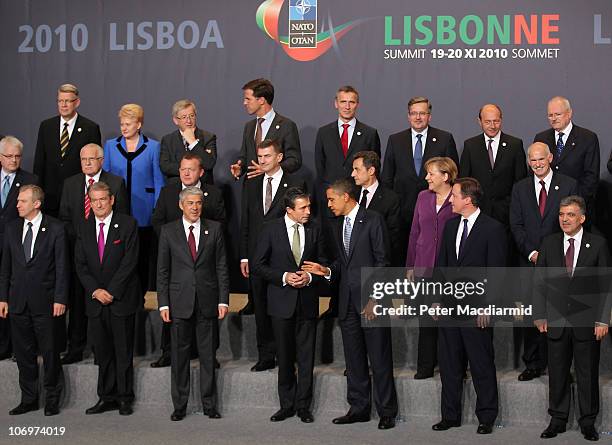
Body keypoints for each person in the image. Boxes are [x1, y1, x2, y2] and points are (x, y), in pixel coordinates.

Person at [302, 178, 398, 430]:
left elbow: (382, 262)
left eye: (332, 199)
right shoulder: (336, 225)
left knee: (379, 359)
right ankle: (358, 408)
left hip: (372, 301)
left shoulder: (373, 219)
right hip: (346, 303)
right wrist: (326, 270)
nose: (329, 205)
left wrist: (374, 297)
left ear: (346, 197)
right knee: (354, 361)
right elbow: (342, 264)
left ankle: (386, 411)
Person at [432, 178, 506, 435]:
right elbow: (441, 266)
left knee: (481, 364)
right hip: (450, 309)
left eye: (454, 195)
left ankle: (486, 417)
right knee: (449, 365)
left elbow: (497, 272)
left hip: (477, 311)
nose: (450, 199)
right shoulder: (450, 226)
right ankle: (449, 416)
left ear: (468, 199)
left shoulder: (493, 228)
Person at [533, 195, 610, 442]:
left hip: (587, 322)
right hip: (555, 321)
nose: (565, 219)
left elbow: (605, 286)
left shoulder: (597, 245)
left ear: (582, 218)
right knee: (557, 372)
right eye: (561, 215)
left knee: (587, 373)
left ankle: (587, 422)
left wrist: (602, 319)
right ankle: (557, 420)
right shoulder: (549, 243)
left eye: (570, 215)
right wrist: (539, 314)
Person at [252, 188, 326, 423]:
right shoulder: (270, 229)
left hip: (307, 301)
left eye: (309, 207)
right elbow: (258, 265)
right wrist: (284, 276)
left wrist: (311, 277)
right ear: (289, 210)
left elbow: (323, 262)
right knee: (284, 357)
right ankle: (287, 405)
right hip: (281, 302)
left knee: (306, 358)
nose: (308, 212)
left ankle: (304, 406)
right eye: (303, 208)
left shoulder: (315, 228)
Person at [157, 186, 229, 421]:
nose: (195, 207)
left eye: (198, 203)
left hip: (207, 301)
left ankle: (209, 404)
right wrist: (163, 304)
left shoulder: (215, 229)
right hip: (179, 303)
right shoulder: (168, 232)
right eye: (190, 203)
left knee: (208, 357)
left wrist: (223, 300)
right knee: (179, 358)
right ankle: (180, 405)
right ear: (181, 205)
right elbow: (163, 271)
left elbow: (221, 267)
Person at [150, 153, 226, 368]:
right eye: (182, 169)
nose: (185, 173)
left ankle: (209, 356)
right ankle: (168, 353)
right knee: (175, 318)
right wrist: (175, 242)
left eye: (190, 169)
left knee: (206, 320)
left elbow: (221, 224)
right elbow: (157, 221)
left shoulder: (214, 193)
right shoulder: (168, 192)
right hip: (177, 262)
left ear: (201, 172)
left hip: (204, 264)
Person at [509, 143, 577, 381]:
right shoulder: (520, 188)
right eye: (533, 160)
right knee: (532, 314)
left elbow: (573, 223)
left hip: (559, 260)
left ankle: (561, 367)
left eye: (541, 159)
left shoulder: (568, 184)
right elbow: (515, 225)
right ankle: (534, 363)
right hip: (529, 261)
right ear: (528, 161)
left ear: (550, 158)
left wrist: (551, 254)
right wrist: (531, 252)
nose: (537, 164)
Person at [0, 185, 68, 416]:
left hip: (46, 302)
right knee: (23, 354)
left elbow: (62, 267)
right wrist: (3, 298)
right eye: (18, 201)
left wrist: (60, 298)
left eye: (22, 201)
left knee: (49, 353)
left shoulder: (56, 229)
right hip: (18, 302)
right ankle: (28, 398)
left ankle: (52, 399)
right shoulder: (11, 228)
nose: (17, 204)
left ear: (36, 204)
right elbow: (5, 267)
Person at [58, 143, 129, 364]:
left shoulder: (115, 183)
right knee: (78, 301)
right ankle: (76, 346)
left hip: (108, 257)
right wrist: (84, 240)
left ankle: (102, 350)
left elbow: (123, 220)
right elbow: (65, 219)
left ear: (101, 160)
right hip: (80, 254)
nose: (87, 163)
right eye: (83, 160)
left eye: (91, 159)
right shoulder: (70, 184)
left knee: (104, 306)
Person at [74, 182, 140, 416]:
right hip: (95, 300)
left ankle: (124, 397)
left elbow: (130, 261)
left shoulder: (128, 224)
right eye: (94, 200)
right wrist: (96, 291)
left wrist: (111, 291)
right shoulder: (83, 227)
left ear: (111, 200)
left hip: (120, 299)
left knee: (122, 352)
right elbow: (80, 265)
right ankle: (106, 397)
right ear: (89, 203)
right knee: (102, 353)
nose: (99, 204)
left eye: (103, 199)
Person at [239, 139, 305, 369]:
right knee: (260, 307)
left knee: (287, 310)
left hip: (285, 259)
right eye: (260, 156)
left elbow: (302, 221)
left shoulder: (295, 183)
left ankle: (290, 355)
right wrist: (245, 256)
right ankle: (266, 356)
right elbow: (245, 220)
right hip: (258, 259)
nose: (263, 160)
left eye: (267, 156)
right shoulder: (252, 184)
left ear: (279, 158)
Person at [381, 96, 458, 264]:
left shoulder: (445, 138)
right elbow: (387, 177)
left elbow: (453, 177)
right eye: (414, 113)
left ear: (429, 116)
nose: (418, 117)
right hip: (401, 210)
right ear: (408, 116)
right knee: (402, 254)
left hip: (435, 211)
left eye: (422, 113)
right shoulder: (395, 140)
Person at [103, 103, 165, 295]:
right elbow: (106, 177)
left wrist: (156, 207)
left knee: (142, 252)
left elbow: (158, 180)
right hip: (118, 208)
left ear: (138, 124)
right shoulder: (111, 146)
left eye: (128, 124)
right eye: (122, 124)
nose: (124, 127)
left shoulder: (152, 147)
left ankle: (143, 292)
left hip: (143, 208)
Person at [405, 156, 458, 379]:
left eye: (431, 173)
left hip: (448, 268)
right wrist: (410, 266)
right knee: (426, 319)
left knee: (450, 319)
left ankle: (454, 365)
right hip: (424, 265)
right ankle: (425, 366)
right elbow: (414, 231)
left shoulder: (458, 195)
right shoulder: (422, 197)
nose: (426, 177)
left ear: (445, 176)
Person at [33, 83, 101, 216]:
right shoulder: (46, 126)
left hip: (77, 197)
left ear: (77, 102)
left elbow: (94, 166)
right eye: (60, 101)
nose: (63, 105)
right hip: (49, 197)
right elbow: (39, 163)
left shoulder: (90, 128)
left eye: (68, 101)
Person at [0, 136, 38, 361]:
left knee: (15, 298)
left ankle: (18, 347)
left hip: (17, 248)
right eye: (9, 156)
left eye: (17, 156)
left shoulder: (29, 180)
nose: (14, 160)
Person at [533, 96, 599, 222]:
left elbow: (591, 177)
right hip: (546, 209)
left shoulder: (587, 138)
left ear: (569, 114)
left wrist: (574, 204)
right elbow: (534, 174)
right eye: (550, 115)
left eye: (557, 114)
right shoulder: (541, 138)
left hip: (576, 208)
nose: (553, 118)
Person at [459, 104, 527, 227]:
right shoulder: (470, 146)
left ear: (501, 120)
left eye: (496, 121)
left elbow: (520, 181)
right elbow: (464, 181)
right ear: (479, 121)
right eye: (488, 122)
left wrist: (513, 206)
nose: (492, 126)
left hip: (506, 214)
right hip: (477, 211)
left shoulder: (515, 145)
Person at [315, 85, 381, 197]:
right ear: (336, 104)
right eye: (343, 102)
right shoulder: (323, 133)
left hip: (358, 195)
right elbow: (320, 166)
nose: (347, 106)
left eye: (351, 102)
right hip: (331, 196)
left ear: (357, 105)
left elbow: (374, 167)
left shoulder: (369, 133)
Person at [230, 78, 302, 180]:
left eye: (248, 99)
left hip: (276, 186)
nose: (244, 103)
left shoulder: (286, 125)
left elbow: (295, 160)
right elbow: (244, 156)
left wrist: (271, 169)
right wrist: (240, 168)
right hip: (252, 187)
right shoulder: (249, 126)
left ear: (261, 100)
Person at [351, 150, 402, 266]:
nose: (352, 174)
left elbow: (393, 236)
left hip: (376, 264)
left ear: (371, 171)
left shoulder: (390, 199)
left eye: (356, 169)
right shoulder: (350, 195)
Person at [159, 99, 216, 184]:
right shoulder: (168, 140)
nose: (188, 121)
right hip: (176, 189)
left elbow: (209, 163)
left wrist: (193, 143)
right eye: (184, 117)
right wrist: (190, 169)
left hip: (202, 189)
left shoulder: (208, 137)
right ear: (175, 120)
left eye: (192, 116)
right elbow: (165, 166)